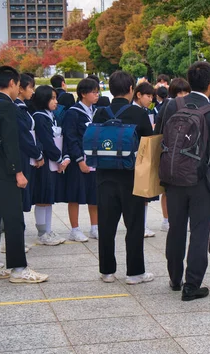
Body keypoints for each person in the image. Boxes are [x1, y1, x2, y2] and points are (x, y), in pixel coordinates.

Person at [157, 62, 210, 301]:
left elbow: (161, 141)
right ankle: (192, 285)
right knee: (200, 232)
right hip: (202, 182)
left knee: (176, 229)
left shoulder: (171, 106)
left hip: (173, 180)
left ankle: (174, 279)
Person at [0, 66, 48, 283]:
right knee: (14, 219)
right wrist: (18, 172)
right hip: (4, 172)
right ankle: (18, 269)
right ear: (13, 83)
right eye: (17, 85)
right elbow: (11, 143)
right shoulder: (7, 107)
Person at [92, 71, 155, 285]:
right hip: (132, 177)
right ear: (131, 90)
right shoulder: (138, 114)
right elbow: (149, 144)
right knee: (135, 225)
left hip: (104, 176)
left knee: (107, 225)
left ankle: (107, 271)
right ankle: (134, 273)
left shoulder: (100, 112)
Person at [63, 78, 100, 242]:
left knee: (95, 194)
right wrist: (79, 160)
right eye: (93, 92)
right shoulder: (73, 112)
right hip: (79, 159)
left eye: (97, 91)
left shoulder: (97, 111)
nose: (96, 94)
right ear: (83, 94)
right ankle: (75, 229)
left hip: (94, 158)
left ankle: (95, 227)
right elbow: (70, 138)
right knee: (75, 195)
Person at [32, 85, 70, 245]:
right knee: (42, 198)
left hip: (53, 162)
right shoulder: (40, 117)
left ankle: (48, 230)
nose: (56, 102)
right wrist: (60, 159)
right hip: (45, 163)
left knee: (48, 198)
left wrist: (64, 157)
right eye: (52, 98)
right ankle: (42, 233)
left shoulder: (51, 116)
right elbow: (47, 142)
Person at [155, 78, 192, 233]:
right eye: (179, 92)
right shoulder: (168, 106)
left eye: (185, 92)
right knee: (167, 190)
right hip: (169, 153)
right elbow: (159, 130)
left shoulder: (191, 106)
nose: (182, 95)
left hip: (187, 153)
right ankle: (166, 219)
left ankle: (179, 219)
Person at [15, 74, 44, 215]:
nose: (33, 91)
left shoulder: (23, 107)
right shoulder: (16, 108)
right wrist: (38, 154)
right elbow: (24, 136)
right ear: (20, 88)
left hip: (28, 155)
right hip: (22, 155)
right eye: (31, 87)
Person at [133, 82, 158, 238]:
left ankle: (143, 224)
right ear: (138, 95)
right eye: (148, 96)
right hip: (139, 156)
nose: (150, 99)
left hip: (138, 156)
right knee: (141, 193)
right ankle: (141, 225)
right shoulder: (138, 113)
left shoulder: (144, 111)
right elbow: (148, 136)